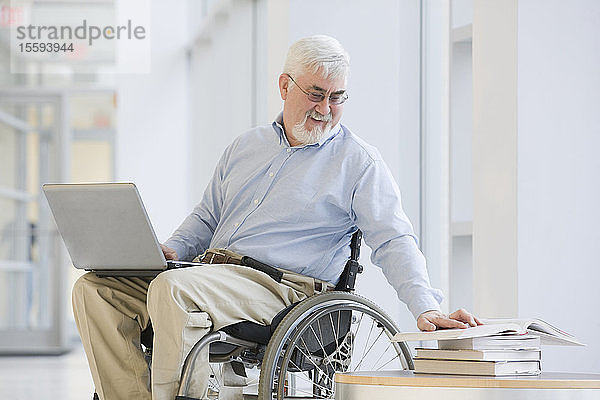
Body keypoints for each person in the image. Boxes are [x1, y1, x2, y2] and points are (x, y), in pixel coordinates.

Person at [72, 35, 481, 400]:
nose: (325, 109)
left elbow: (394, 239)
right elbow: (208, 215)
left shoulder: (358, 163)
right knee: (95, 289)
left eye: (337, 97)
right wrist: (171, 248)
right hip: (209, 275)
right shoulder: (245, 146)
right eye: (316, 93)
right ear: (285, 86)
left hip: (283, 290)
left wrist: (424, 307)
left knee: (173, 289)